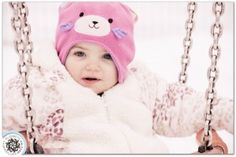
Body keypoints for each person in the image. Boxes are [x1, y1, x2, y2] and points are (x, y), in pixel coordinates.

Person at [3, 2, 233, 154]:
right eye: (80, 53)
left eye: (107, 57)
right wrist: (17, 143)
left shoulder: (141, 85)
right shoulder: (43, 86)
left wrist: (225, 113)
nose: (92, 66)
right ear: (63, 56)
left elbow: (183, 106)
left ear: (122, 62)